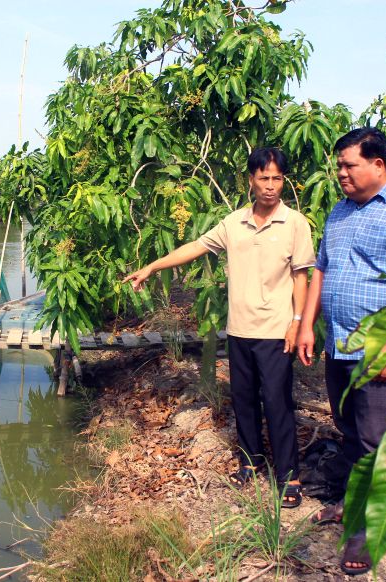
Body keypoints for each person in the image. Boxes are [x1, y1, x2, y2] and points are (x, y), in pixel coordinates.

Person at [123, 147, 315, 508]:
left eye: (277, 178)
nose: (270, 186)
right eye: (264, 178)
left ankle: (290, 477)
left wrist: (297, 322)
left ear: (283, 181)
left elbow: (301, 277)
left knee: (277, 403)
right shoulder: (233, 223)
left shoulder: (295, 224)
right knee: (243, 400)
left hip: (276, 330)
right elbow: (195, 247)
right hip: (240, 329)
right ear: (251, 181)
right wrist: (152, 266)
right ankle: (249, 462)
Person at [296, 128, 386, 575]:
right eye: (338, 166)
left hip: (378, 347)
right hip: (339, 342)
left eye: (348, 165)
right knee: (349, 429)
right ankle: (350, 504)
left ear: (378, 165)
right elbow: (322, 270)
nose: (340, 174)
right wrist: (306, 325)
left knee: (375, 439)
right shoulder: (339, 211)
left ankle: (368, 530)